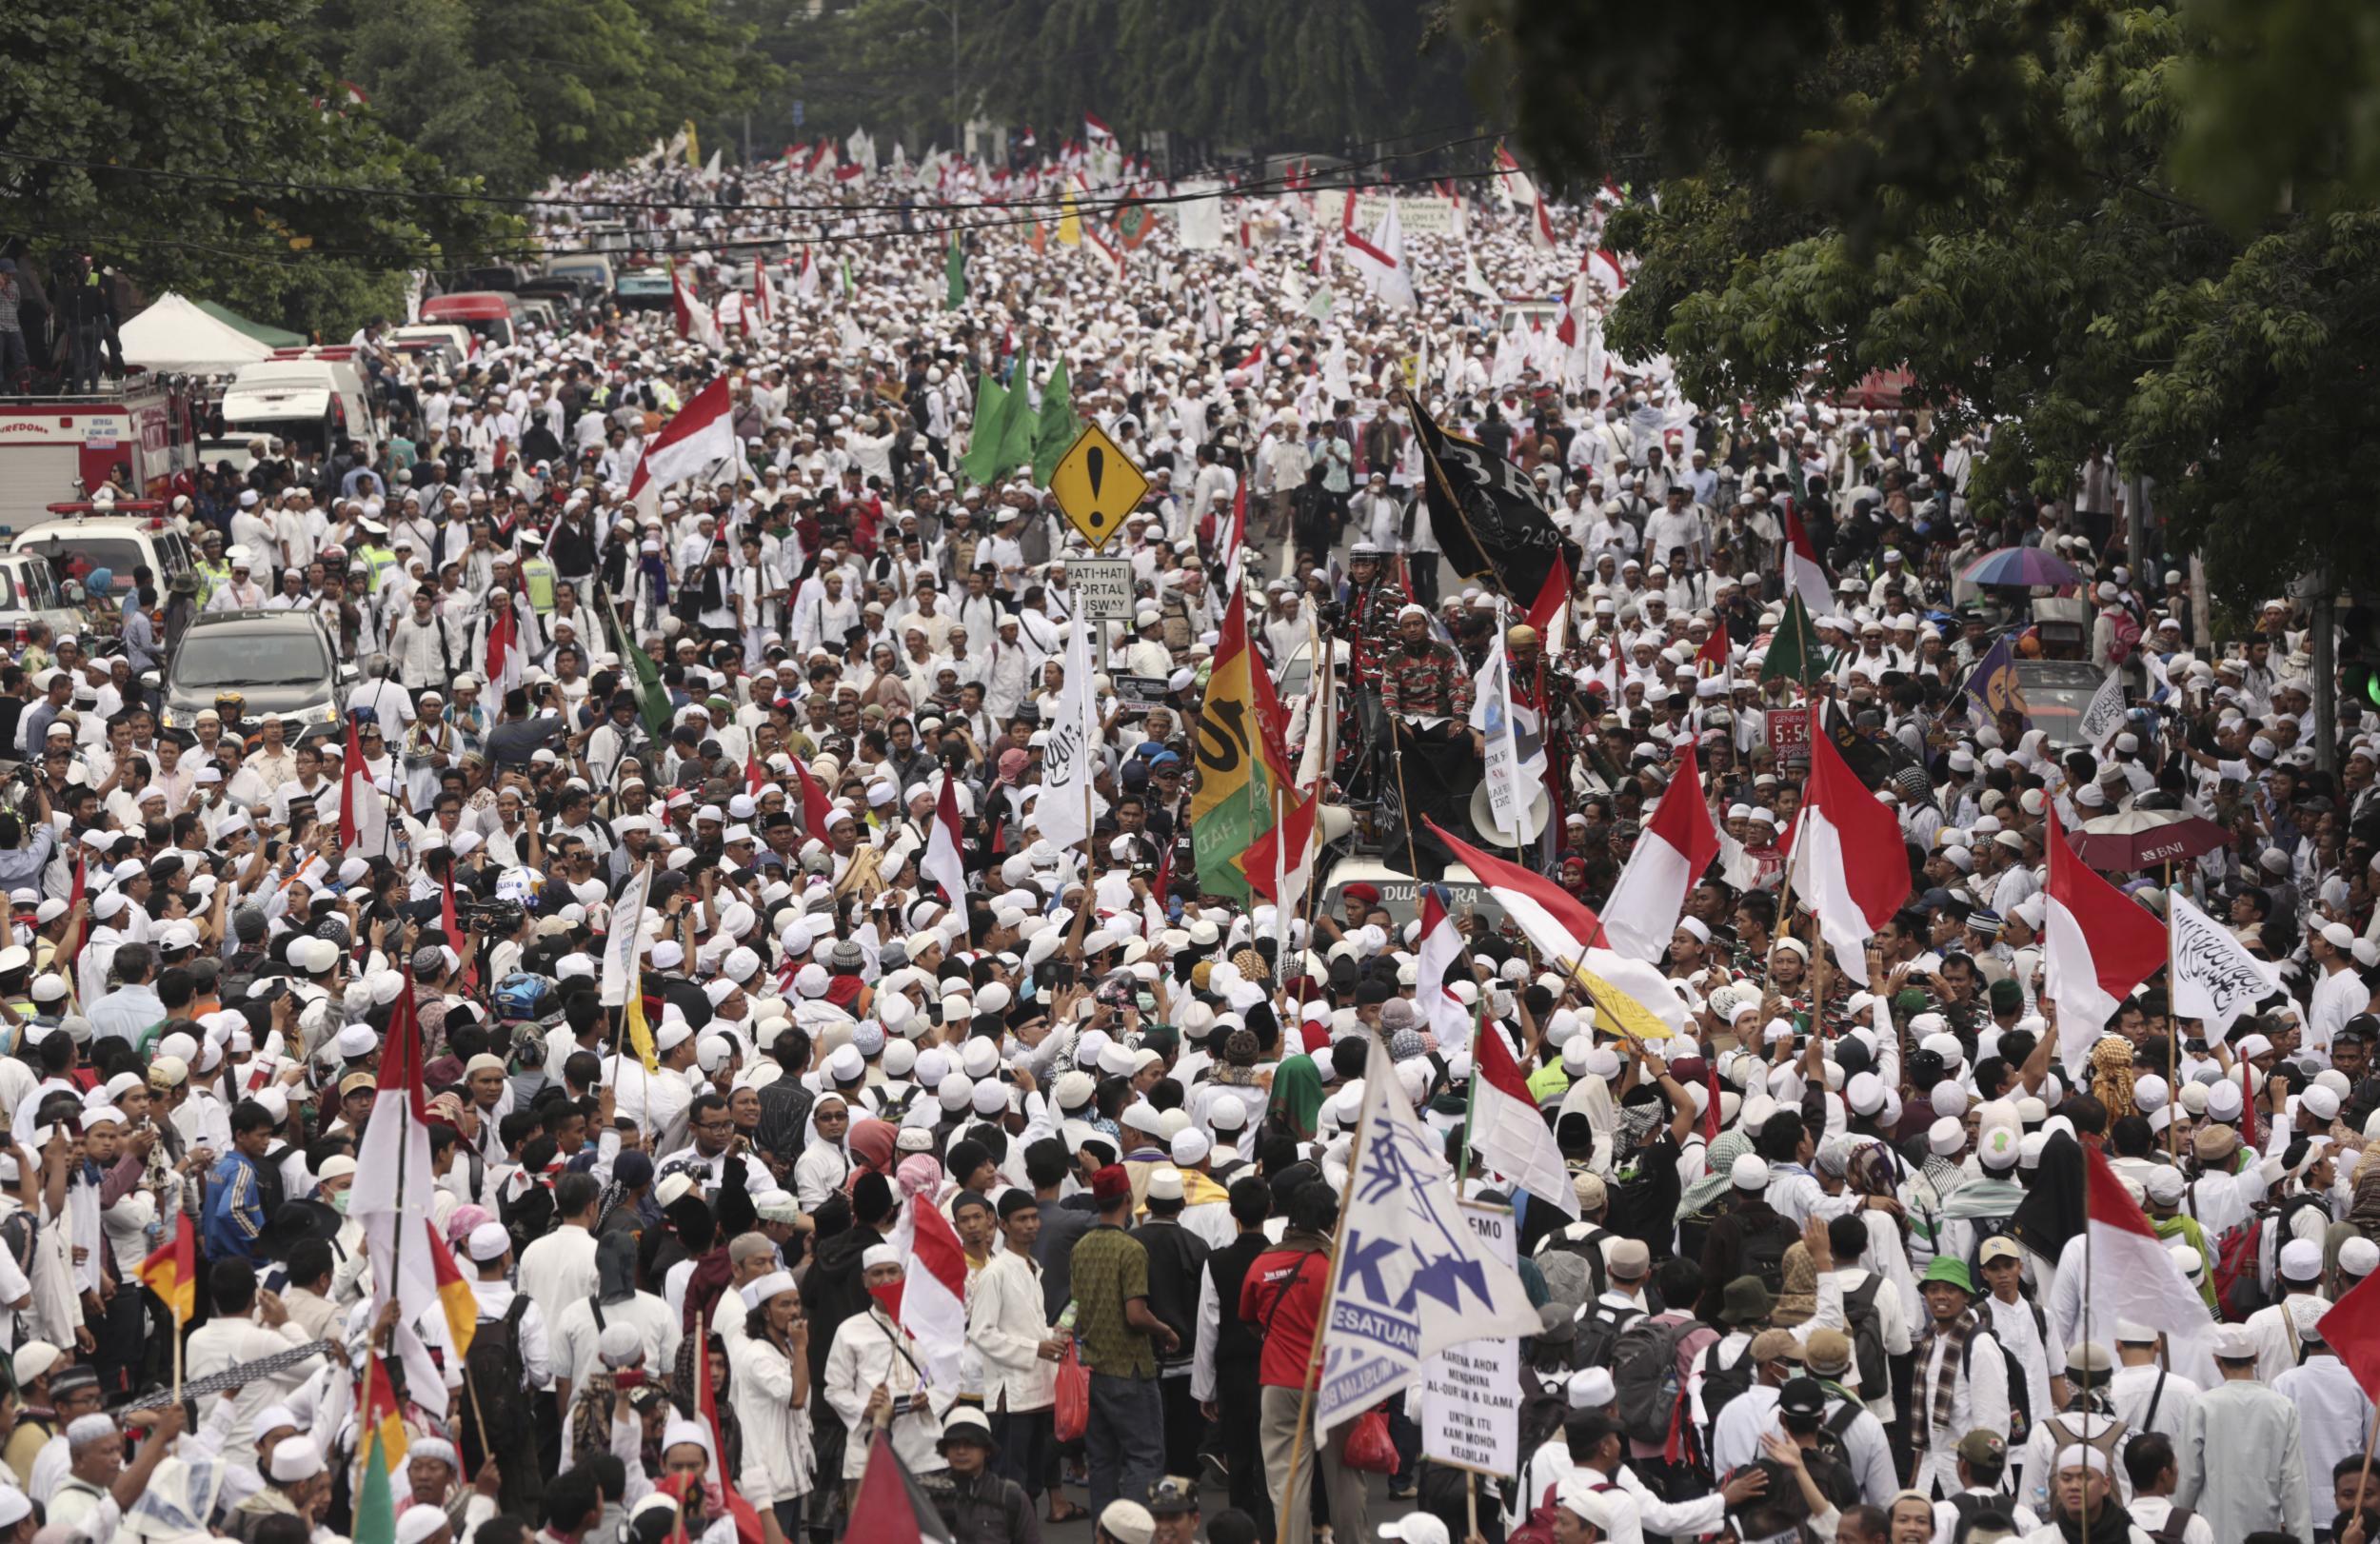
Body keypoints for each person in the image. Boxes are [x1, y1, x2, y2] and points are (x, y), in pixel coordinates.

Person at [2174, 1322, 2311, 1542]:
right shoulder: (2283, 1407)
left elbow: (2188, 1476)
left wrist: (2175, 1527)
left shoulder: (2203, 1405)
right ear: (2256, 1356)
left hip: (2213, 1530)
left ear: (2216, 1359)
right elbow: (2294, 1481)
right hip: (2265, 1531)